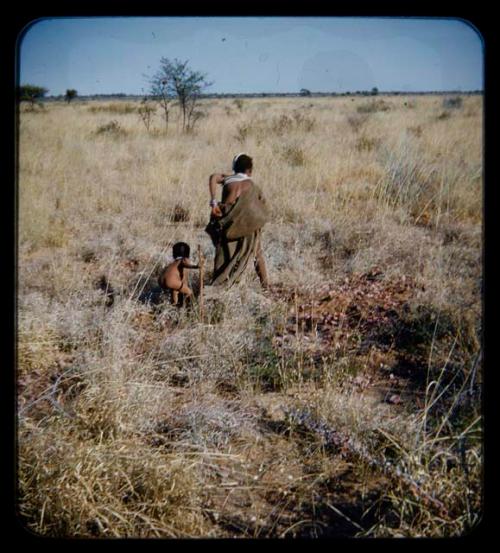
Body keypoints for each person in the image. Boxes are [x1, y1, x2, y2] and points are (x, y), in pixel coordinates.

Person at [205, 153, 269, 289]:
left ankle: (219, 283)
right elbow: (262, 205)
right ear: (250, 171)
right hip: (247, 225)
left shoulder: (228, 180)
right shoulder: (252, 186)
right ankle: (265, 285)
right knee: (257, 253)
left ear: (234, 167)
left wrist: (214, 202)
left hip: (228, 224)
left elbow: (213, 177)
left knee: (223, 253)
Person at [158, 242, 199, 306]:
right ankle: (193, 307)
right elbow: (186, 266)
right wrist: (196, 266)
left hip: (161, 280)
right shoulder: (184, 259)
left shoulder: (173, 263)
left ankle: (173, 305)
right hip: (171, 281)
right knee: (189, 292)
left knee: (175, 290)